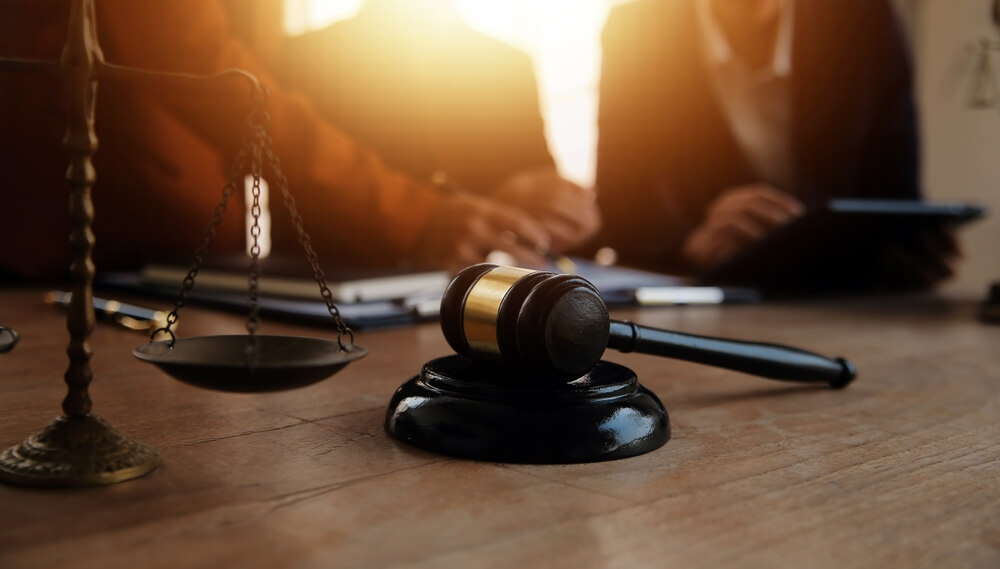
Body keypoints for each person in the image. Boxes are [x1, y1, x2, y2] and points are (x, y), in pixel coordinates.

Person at [0, 0, 596, 280]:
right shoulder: (312, 58)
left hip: (152, 254)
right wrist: (416, 214)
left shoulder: (504, 65)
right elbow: (205, 72)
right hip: (75, 246)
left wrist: (534, 202)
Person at [594, 0, 955, 288]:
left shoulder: (864, 16)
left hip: (841, 293)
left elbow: (896, 192)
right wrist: (690, 240)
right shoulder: (637, 29)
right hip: (715, 296)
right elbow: (621, 207)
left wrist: (915, 245)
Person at [277, 0, 598, 258]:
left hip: (481, 293)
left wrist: (564, 215)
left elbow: (544, 210)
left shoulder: (508, 65)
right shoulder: (303, 58)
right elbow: (295, 195)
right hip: (329, 292)